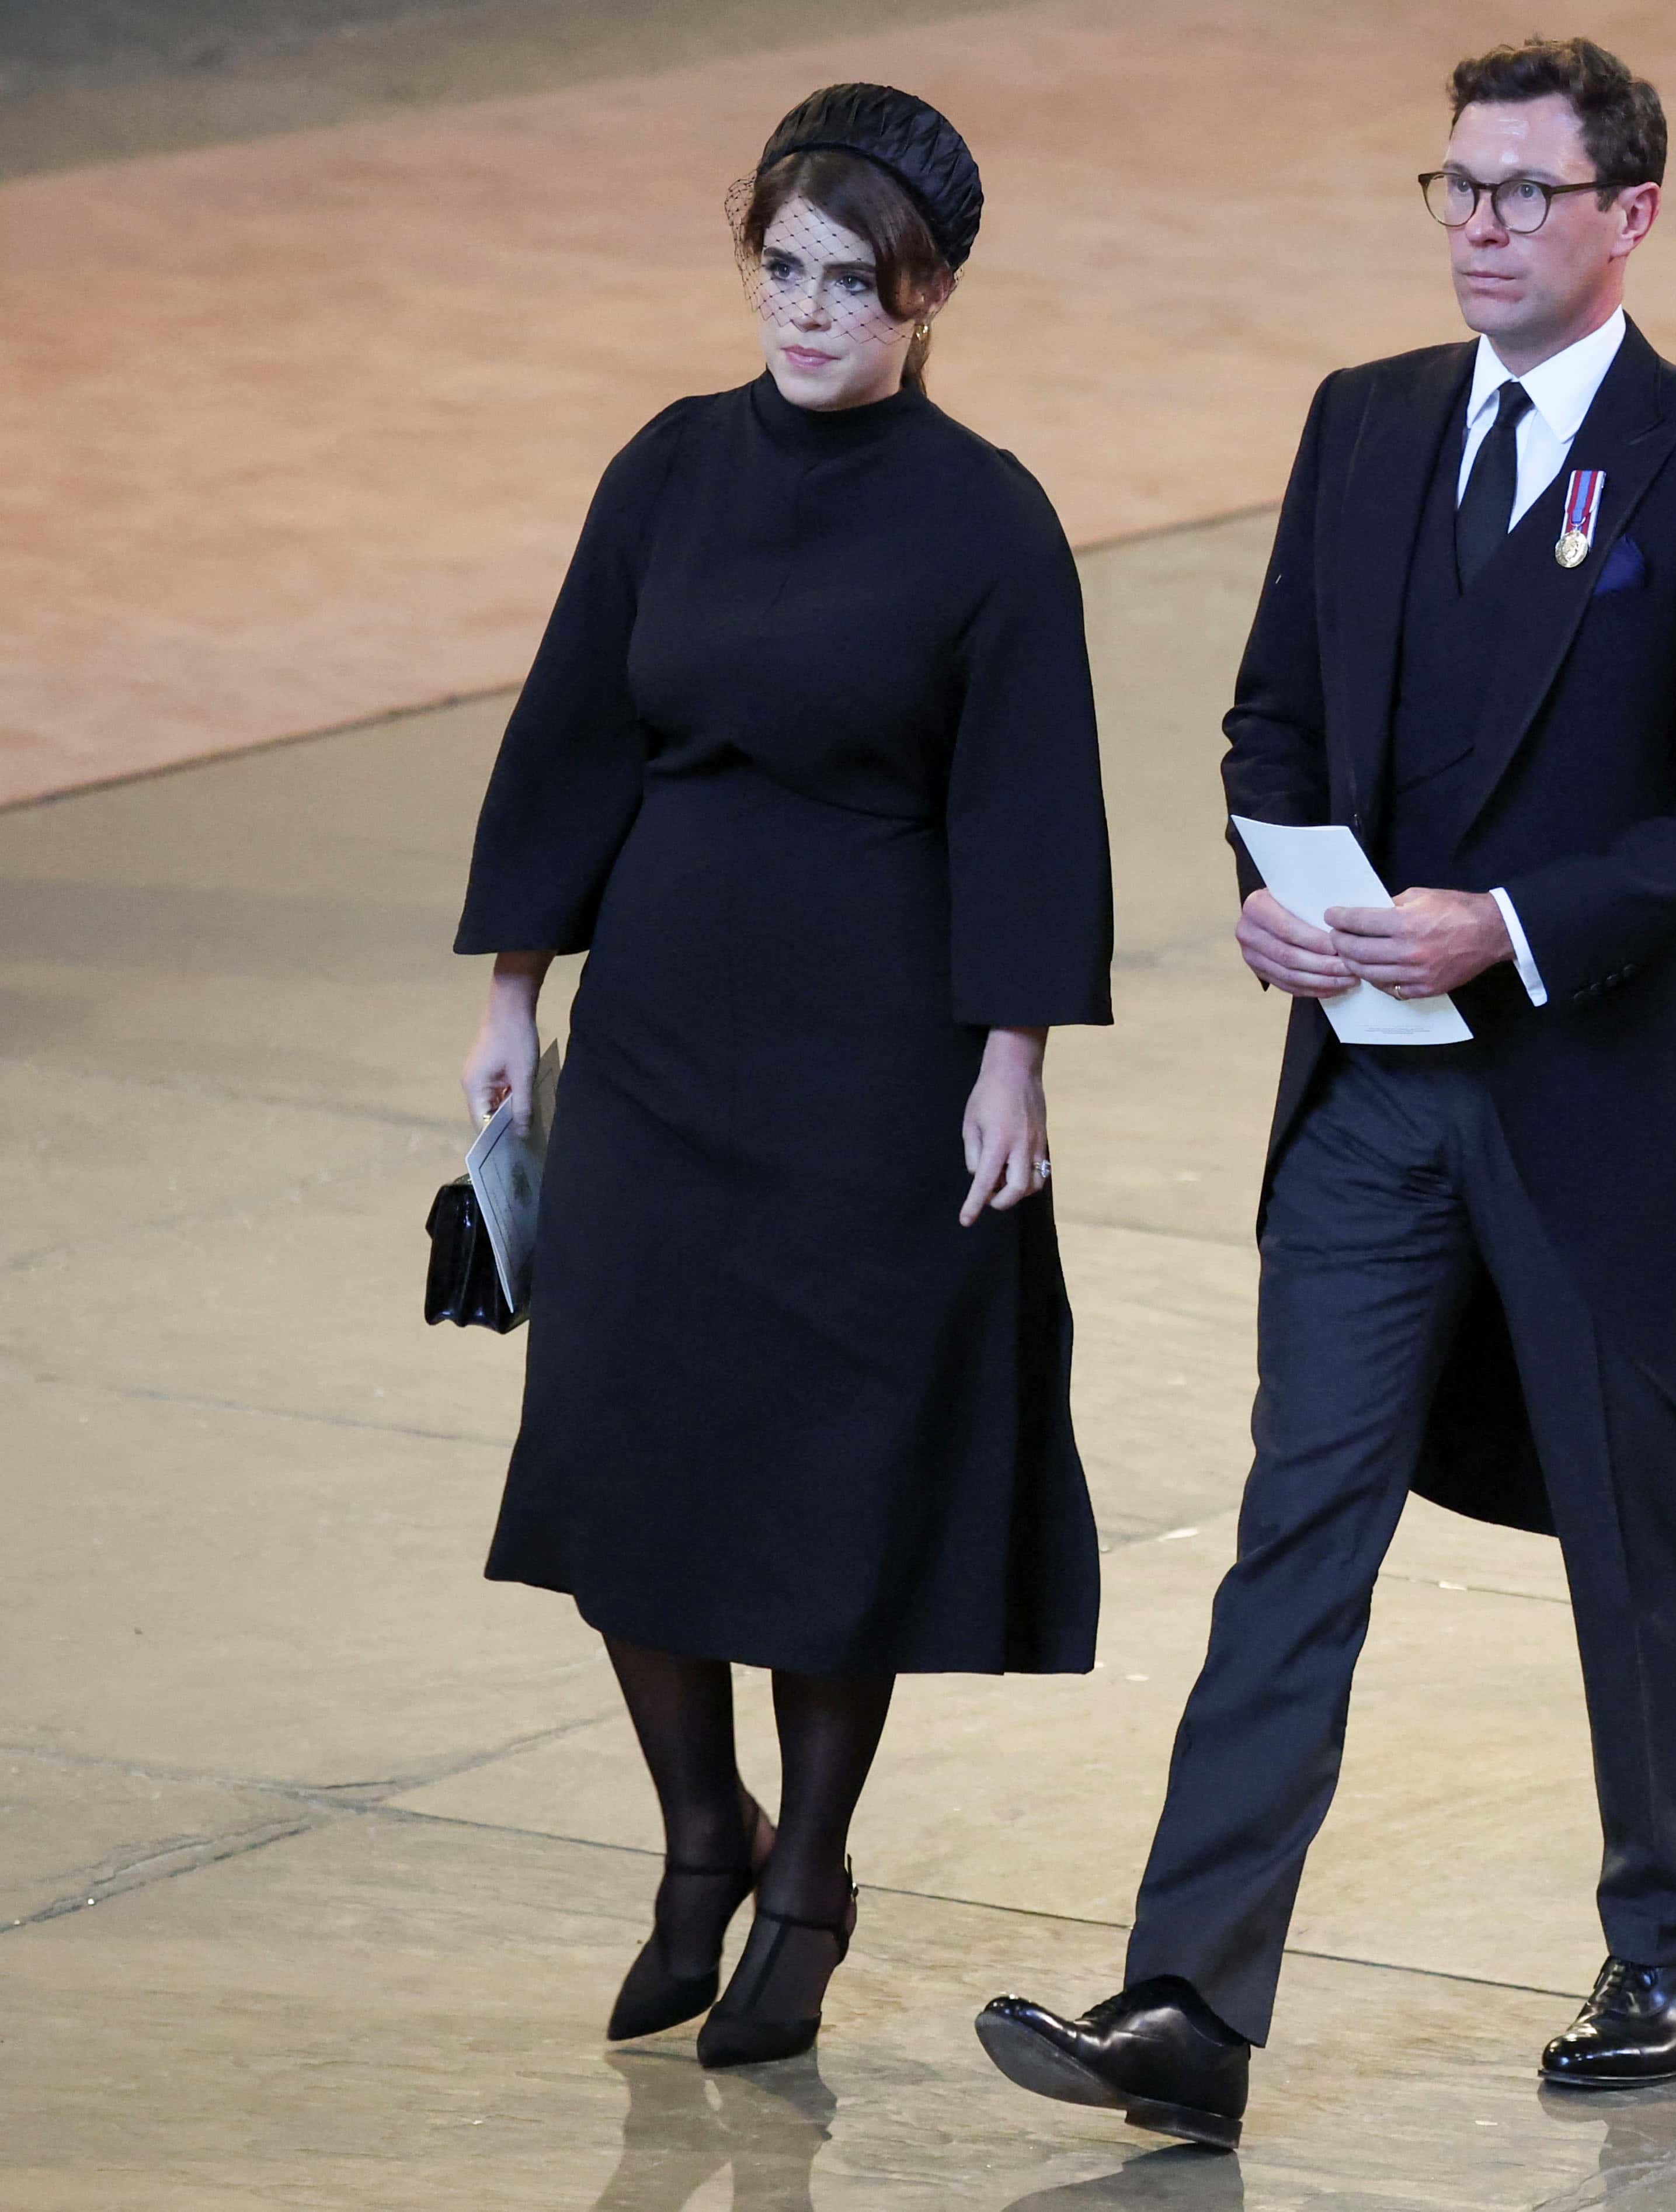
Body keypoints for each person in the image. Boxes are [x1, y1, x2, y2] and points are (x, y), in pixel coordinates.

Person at [972, 35, 1676, 2148]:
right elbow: (1271, 719)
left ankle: (1666, 1941)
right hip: (1367, 1082)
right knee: (1297, 1525)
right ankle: (1189, 1995)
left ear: (1628, 215)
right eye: (1455, 188)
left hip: (1595, 1099)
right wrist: (1277, 890)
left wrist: (1508, 923)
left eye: (1524, 194)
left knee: (1636, 1542)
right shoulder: (1360, 428)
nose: (1480, 227)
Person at [453, 82, 1115, 2066]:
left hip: (878, 1054)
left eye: (853, 283)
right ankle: (697, 1836)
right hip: (658, 1026)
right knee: (615, 1434)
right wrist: (511, 997)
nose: (808, 313)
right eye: (782, 271)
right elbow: (572, 726)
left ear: (927, 300)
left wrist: (1012, 1060)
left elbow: (1029, 810)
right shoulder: (667, 469)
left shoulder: (987, 518)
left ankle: (808, 1876)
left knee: (838, 1482)